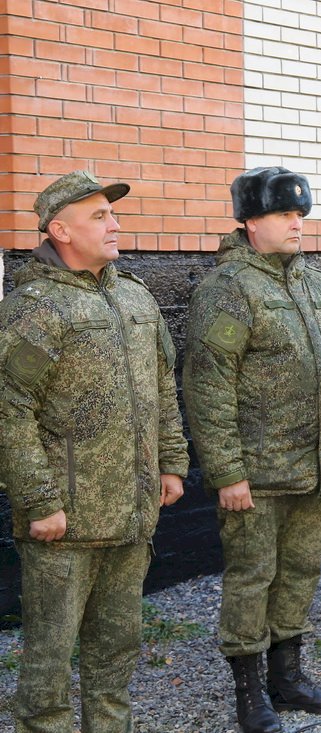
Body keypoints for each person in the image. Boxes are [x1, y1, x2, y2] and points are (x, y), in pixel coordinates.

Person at [0, 170, 189, 732]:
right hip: (66, 524)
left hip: (131, 514)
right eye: (99, 216)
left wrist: (172, 462)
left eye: (113, 213)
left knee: (116, 654)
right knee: (50, 668)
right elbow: (10, 409)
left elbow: (162, 386)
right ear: (59, 229)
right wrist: (38, 502)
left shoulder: (135, 295)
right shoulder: (35, 308)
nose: (115, 224)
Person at [182, 167, 321, 733]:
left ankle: (288, 678)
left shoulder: (315, 285)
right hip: (256, 474)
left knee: (301, 571)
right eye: (285, 215)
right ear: (250, 222)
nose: (297, 225)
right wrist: (227, 471)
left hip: (312, 465)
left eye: (300, 215)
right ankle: (249, 690)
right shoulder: (230, 290)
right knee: (251, 577)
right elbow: (209, 384)